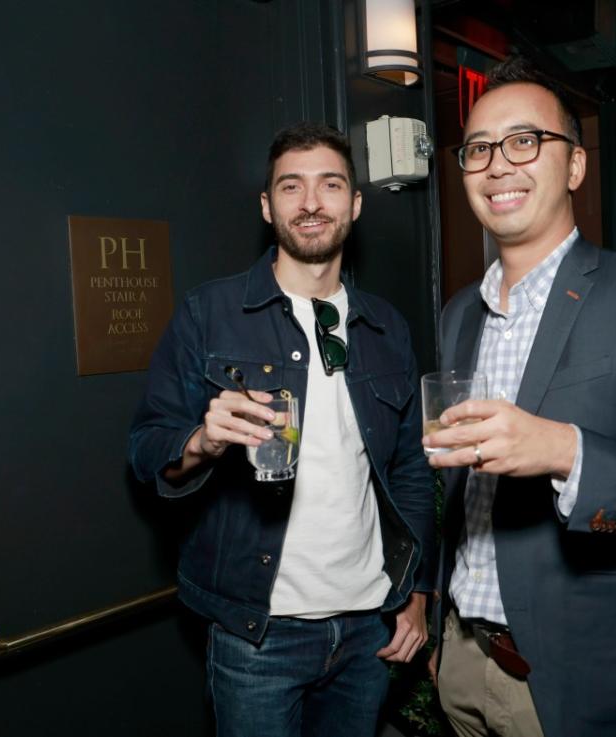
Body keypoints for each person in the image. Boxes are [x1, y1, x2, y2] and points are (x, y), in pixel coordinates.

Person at [423, 57, 616, 737]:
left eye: (524, 141)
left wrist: (565, 451)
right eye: (478, 148)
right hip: (463, 665)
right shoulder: (459, 315)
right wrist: (444, 631)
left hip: (583, 680)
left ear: (573, 166)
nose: (497, 164)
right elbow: (463, 504)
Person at [129, 122, 435, 737]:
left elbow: (410, 472)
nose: (311, 202)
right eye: (291, 187)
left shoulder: (386, 328)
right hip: (258, 633)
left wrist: (419, 592)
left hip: (369, 626)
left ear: (354, 203)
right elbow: (146, 449)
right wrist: (203, 442)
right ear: (268, 207)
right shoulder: (208, 314)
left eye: (330, 184)